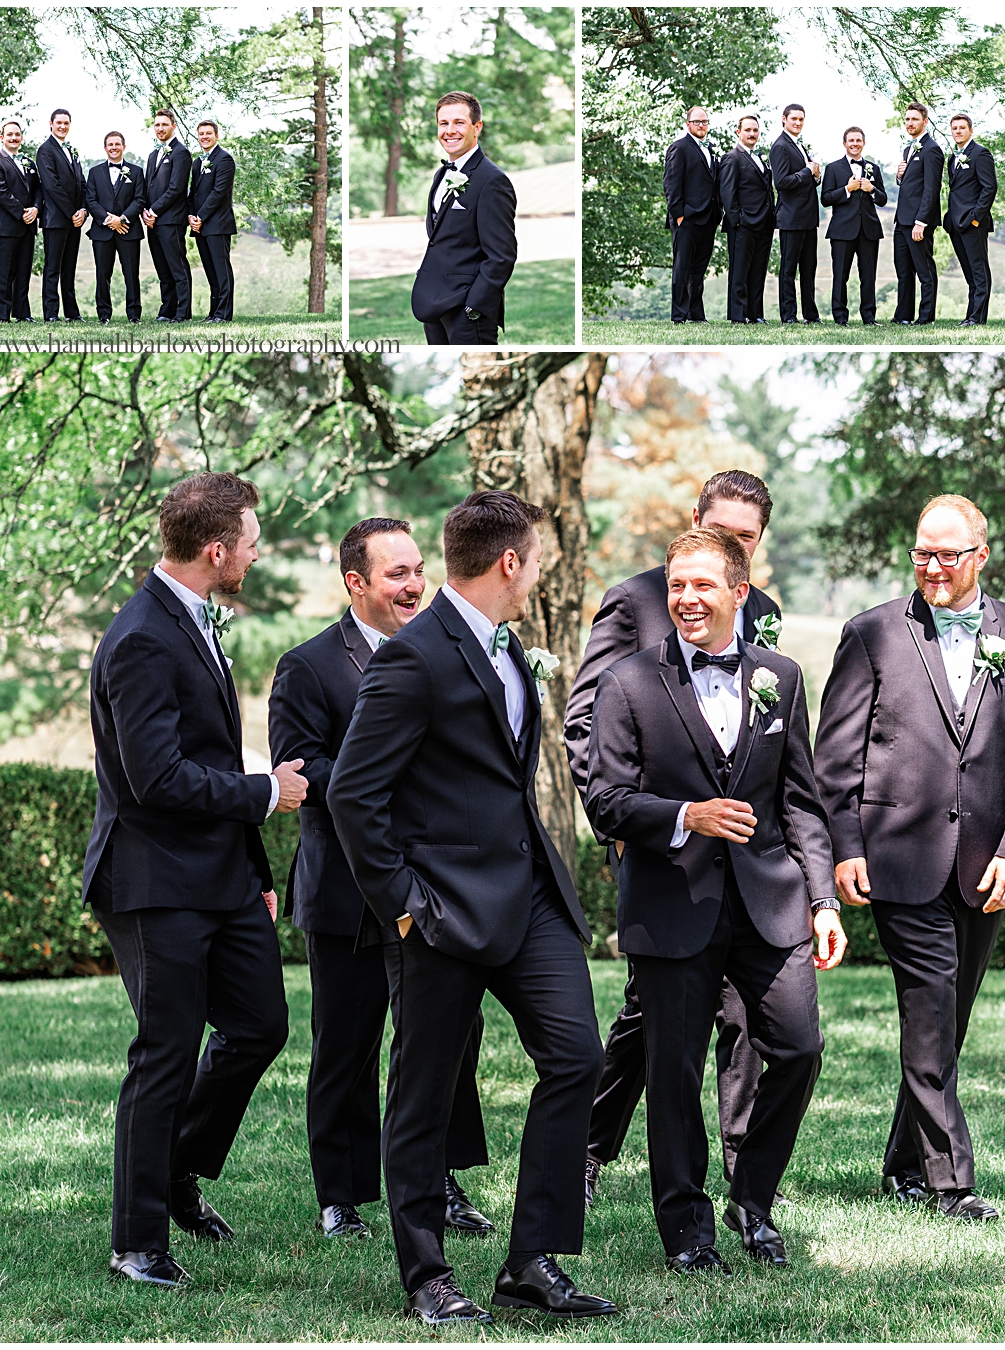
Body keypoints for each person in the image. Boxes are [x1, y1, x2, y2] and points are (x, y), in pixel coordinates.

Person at [330, 491, 615, 1326]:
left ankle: (532, 1259)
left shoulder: (508, 646)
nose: (538, 578)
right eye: (537, 562)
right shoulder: (413, 657)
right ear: (509, 562)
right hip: (442, 914)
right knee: (422, 1096)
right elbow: (353, 795)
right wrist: (404, 908)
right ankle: (428, 1275)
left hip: (530, 898)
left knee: (577, 1058)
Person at [585, 527, 844, 1273]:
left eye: (703, 585)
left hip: (771, 902)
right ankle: (687, 1232)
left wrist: (822, 899)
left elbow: (800, 801)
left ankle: (753, 1200)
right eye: (677, 585)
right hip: (673, 904)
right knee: (673, 1076)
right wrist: (683, 816)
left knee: (798, 1049)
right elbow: (605, 800)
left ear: (739, 591)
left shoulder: (783, 677)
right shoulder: (629, 682)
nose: (687, 598)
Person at [82, 472, 310, 1287]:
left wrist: (254, 872)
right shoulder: (141, 635)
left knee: (259, 1026)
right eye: (250, 542)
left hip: (222, 882)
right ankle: (137, 1243)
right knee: (165, 1055)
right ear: (217, 551)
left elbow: (204, 756)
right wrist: (265, 795)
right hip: (152, 884)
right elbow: (156, 779)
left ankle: (177, 1169)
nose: (255, 554)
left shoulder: (196, 620)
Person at [814, 494, 1005, 1221]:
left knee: (946, 1021)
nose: (931, 566)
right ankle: (952, 1185)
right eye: (922, 551)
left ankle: (901, 1166)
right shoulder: (871, 635)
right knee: (930, 1009)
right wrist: (844, 848)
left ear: (981, 556)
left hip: (986, 865)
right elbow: (837, 761)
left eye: (947, 554)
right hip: (899, 856)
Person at [267, 518, 494, 1244]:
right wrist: (382, 783)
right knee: (348, 1044)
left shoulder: (443, 656)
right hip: (343, 891)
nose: (414, 585)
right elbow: (303, 769)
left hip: (433, 885)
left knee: (449, 1036)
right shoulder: (307, 667)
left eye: (418, 569)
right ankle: (341, 1195)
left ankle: (443, 1183)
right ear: (355, 582)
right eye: (396, 573)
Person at [564, 470, 782, 1209]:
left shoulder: (767, 614)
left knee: (748, 1020)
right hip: (660, 854)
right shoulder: (635, 599)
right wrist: (623, 831)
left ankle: (742, 1173)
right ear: (694, 518)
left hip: (747, 867)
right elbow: (586, 723)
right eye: (717, 530)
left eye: (742, 541)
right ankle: (588, 1151)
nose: (726, 546)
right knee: (649, 1018)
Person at [410, 92, 517, 345]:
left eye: (459, 122)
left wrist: (474, 307)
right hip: (434, 304)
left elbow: (502, 255)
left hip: (467, 310)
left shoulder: (492, 180)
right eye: (443, 123)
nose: (450, 131)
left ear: (476, 127)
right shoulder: (440, 175)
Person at [820, 125, 887, 327]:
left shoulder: (873, 169)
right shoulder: (832, 168)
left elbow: (883, 199)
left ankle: (869, 317)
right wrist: (847, 189)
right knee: (840, 276)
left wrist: (871, 188)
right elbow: (825, 198)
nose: (855, 144)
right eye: (851, 140)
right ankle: (840, 317)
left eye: (858, 140)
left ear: (863, 143)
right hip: (842, 230)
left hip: (869, 230)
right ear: (845, 143)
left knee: (869, 277)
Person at [663, 107, 721, 324]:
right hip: (686, 218)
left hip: (709, 218)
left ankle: (696, 315)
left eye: (704, 122)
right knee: (682, 268)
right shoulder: (679, 148)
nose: (701, 125)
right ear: (688, 124)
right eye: (697, 122)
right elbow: (671, 183)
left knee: (699, 269)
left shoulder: (710, 150)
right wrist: (678, 215)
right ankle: (678, 316)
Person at [717, 114, 775, 324]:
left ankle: (755, 314)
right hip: (742, 224)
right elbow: (727, 192)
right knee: (740, 271)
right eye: (748, 130)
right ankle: (738, 316)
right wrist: (737, 220)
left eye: (755, 130)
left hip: (764, 223)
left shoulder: (759, 157)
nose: (752, 134)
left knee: (758, 271)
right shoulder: (732, 158)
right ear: (738, 132)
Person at [85, 132, 146, 325]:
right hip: (102, 232)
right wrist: (108, 220)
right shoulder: (94, 172)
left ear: (123, 147)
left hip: (128, 230)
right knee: (102, 274)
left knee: (131, 274)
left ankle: (134, 314)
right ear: (105, 148)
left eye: (117, 144)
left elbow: (139, 199)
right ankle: (104, 314)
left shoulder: (136, 171)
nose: (114, 147)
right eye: (110, 144)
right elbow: (91, 201)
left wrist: (122, 219)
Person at [943, 114, 998, 327]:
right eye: (954, 128)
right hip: (955, 224)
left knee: (979, 270)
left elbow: (989, 188)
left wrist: (976, 218)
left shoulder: (980, 154)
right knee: (969, 274)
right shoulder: (952, 158)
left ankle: (978, 318)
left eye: (962, 128)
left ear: (970, 131)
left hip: (973, 223)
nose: (958, 131)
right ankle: (970, 316)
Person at [0, 120, 42, 323]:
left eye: (17, 134)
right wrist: (22, 212)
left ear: (21, 137)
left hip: (27, 227)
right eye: (9, 135)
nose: (14, 138)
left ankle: (22, 313)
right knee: (3, 273)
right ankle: (2, 316)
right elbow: (0, 192)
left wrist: (35, 208)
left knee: (23, 272)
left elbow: (38, 189)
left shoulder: (29, 163)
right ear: (2, 138)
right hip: (4, 227)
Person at [770, 104, 822, 324]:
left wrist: (816, 176)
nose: (798, 123)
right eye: (794, 119)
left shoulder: (799, 145)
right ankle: (789, 315)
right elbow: (781, 182)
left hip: (809, 218)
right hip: (791, 218)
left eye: (801, 119)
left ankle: (811, 315)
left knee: (809, 269)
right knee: (789, 269)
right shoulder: (780, 146)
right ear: (784, 119)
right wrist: (807, 171)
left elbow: (807, 179)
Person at [892, 102, 943, 326]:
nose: (910, 123)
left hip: (918, 223)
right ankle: (903, 316)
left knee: (924, 271)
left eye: (914, 119)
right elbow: (909, 185)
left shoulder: (932, 149)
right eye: (907, 119)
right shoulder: (908, 149)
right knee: (903, 272)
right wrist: (899, 176)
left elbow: (932, 189)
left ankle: (925, 318)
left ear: (925, 121)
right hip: (901, 221)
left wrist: (921, 222)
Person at [35, 108, 87, 322]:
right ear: (51, 124)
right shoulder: (45, 150)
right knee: (53, 267)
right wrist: (71, 212)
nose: (63, 126)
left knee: (69, 268)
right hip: (56, 219)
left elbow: (81, 183)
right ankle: (51, 314)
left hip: (75, 220)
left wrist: (83, 210)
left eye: (66, 123)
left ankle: (72, 313)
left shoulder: (72, 150)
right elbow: (52, 185)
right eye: (59, 123)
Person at [142, 108, 193, 323]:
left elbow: (176, 188)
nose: (160, 128)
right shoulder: (154, 154)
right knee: (163, 270)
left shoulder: (181, 153)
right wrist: (145, 211)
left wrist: (153, 211)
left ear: (173, 126)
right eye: (157, 125)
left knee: (177, 267)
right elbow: (148, 186)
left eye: (164, 124)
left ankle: (183, 312)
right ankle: (167, 310)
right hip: (152, 222)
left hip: (171, 220)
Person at [188, 119, 237, 323]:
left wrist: (200, 216)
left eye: (208, 133)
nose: (205, 137)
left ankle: (224, 314)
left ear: (216, 135)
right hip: (200, 226)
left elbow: (218, 193)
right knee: (210, 271)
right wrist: (190, 215)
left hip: (217, 223)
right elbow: (194, 193)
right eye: (201, 134)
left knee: (221, 270)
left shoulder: (224, 160)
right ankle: (213, 312)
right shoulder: (197, 162)